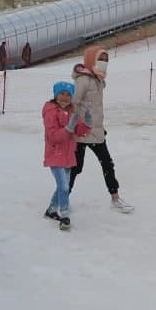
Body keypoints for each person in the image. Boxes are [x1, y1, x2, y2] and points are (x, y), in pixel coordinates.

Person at [69, 45, 134, 213]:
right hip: (80, 133)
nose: (104, 63)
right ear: (91, 60)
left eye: (106, 60)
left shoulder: (98, 79)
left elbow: (95, 108)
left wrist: (99, 127)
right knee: (75, 168)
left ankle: (115, 198)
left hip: (96, 132)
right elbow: (73, 104)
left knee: (107, 163)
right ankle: (62, 199)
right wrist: (77, 125)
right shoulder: (83, 80)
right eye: (100, 59)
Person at [42, 81, 92, 231]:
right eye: (62, 94)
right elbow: (53, 137)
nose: (65, 97)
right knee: (64, 187)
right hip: (55, 155)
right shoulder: (50, 112)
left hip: (68, 156)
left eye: (68, 95)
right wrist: (68, 128)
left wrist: (87, 123)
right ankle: (64, 215)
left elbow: (79, 131)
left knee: (62, 187)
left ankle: (51, 210)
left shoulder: (72, 111)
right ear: (56, 95)